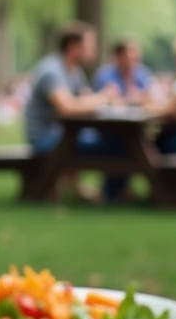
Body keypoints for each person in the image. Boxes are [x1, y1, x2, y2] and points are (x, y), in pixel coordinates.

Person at [24, 21, 126, 201]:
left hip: (65, 135)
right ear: (73, 46)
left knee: (118, 140)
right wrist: (104, 97)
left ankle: (108, 192)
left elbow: (86, 100)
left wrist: (103, 99)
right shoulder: (52, 70)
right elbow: (67, 107)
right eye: (90, 45)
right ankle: (111, 195)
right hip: (47, 138)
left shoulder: (74, 71)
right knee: (118, 145)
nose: (94, 50)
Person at [92, 36, 152, 103]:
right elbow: (100, 100)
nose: (131, 62)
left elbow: (151, 96)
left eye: (135, 58)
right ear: (118, 57)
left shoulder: (143, 74)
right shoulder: (104, 75)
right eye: (127, 57)